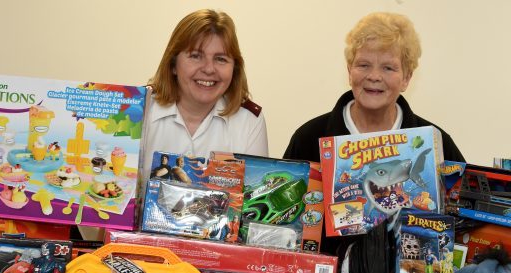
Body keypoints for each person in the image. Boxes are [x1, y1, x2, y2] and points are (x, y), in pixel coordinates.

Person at [284, 12, 465, 163]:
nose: (374, 76)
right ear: (349, 71)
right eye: (364, 65)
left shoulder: (436, 144)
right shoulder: (308, 139)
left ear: (406, 78)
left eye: (388, 68)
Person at [142, 9, 269, 181]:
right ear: (173, 64)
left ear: (234, 69)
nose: (209, 69)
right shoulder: (139, 110)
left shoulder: (250, 121)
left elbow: (252, 197)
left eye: (221, 59)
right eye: (195, 56)